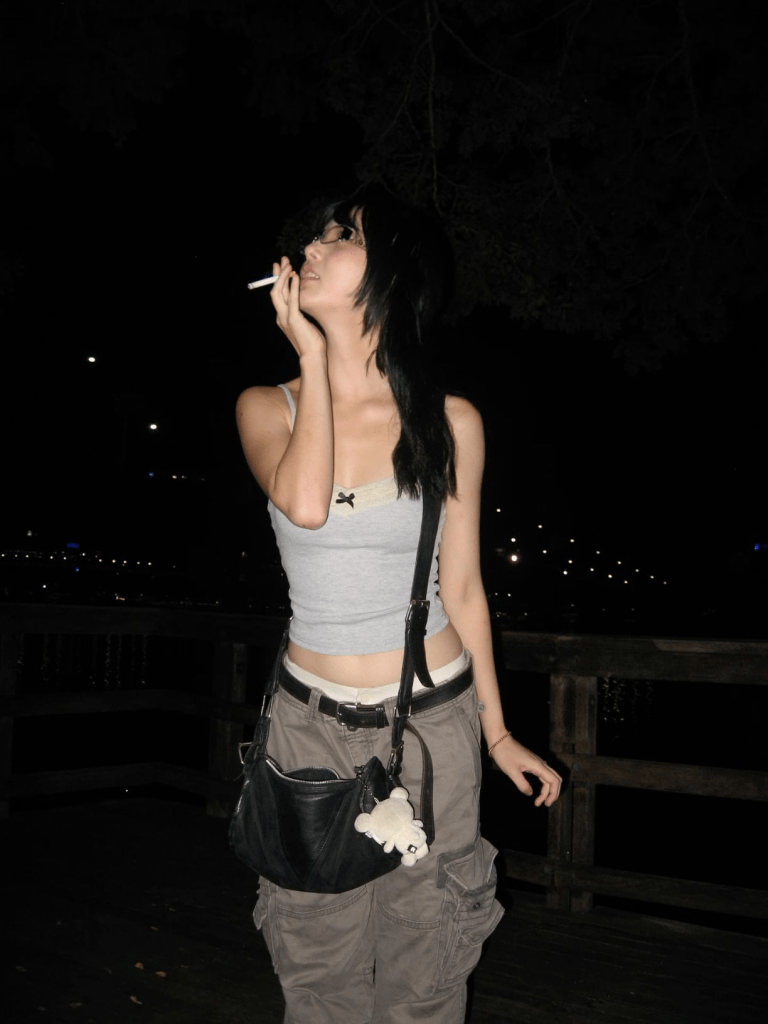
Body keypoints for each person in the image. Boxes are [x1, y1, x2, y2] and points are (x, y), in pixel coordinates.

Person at [236, 184, 561, 1024]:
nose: (311, 247)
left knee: (429, 963)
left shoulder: (449, 423)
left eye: (339, 235)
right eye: (315, 235)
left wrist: (497, 732)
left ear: (391, 271)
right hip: (309, 731)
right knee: (317, 968)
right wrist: (313, 362)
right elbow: (305, 503)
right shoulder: (268, 406)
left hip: (431, 726)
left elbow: (464, 588)